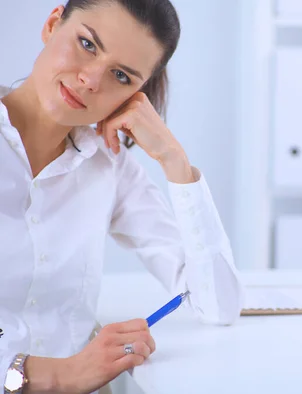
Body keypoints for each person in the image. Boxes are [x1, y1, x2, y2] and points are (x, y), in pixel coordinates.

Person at [0, 0, 243, 393]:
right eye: (87, 44)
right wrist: (61, 375)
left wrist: (174, 160)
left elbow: (217, 304)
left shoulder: (108, 167)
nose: (92, 80)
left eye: (121, 76)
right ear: (52, 24)